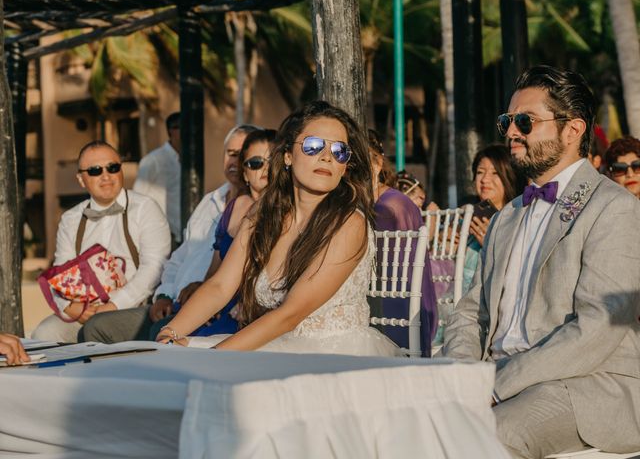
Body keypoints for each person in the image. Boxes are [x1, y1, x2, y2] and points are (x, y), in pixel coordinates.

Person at [442, 65, 640, 457]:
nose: (511, 132)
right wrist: (463, 378)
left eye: (524, 121)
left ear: (573, 130)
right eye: (507, 121)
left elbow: (596, 328)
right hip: (496, 378)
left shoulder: (614, 209)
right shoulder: (507, 217)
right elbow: (469, 314)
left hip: (584, 383)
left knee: (484, 442)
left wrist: (497, 385)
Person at [157, 101, 398, 357]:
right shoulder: (263, 213)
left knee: (195, 363)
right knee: (165, 354)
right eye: (313, 146)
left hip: (330, 356)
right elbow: (220, 286)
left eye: (339, 151)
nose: (327, 156)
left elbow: (289, 314)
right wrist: (169, 333)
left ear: (345, 166)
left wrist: (214, 358)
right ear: (287, 156)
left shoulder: (349, 223)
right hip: (279, 344)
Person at [79, 125, 261, 344]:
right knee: (95, 329)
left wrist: (201, 288)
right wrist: (163, 295)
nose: (236, 161)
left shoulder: (258, 210)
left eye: (245, 156)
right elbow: (179, 256)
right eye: (231, 154)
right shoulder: (209, 201)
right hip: (172, 302)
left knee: (159, 332)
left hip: (208, 308)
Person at [32, 141, 171, 343]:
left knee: (98, 330)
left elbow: (154, 268)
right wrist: (71, 307)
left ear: (121, 170)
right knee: (44, 334)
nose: (105, 176)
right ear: (81, 179)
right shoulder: (71, 219)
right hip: (85, 313)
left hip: (135, 308)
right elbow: (61, 274)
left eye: (112, 168)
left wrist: (113, 306)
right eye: (95, 170)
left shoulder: (145, 208)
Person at [151, 128, 279, 339]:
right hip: (217, 303)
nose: (265, 168)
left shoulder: (285, 212)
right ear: (244, 172)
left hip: (251, 313)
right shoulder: (235, 206)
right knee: (166, 337)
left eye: (271, 160)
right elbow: (214, 274)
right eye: (255, 163)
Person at [368, 130, 437, 354]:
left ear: (377, 164)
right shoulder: (383, 201)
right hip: (411, 313)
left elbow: (383, 283)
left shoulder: (387, 208)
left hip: (395, 321)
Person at [462, 144, 525, 293]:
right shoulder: (466, 217)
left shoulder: (520, 219)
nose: (485, 179)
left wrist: (492, 245)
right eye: (480, 172)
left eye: (495, 173)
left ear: (510, 176)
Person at [133, 112, 181, 243]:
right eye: (182, 128)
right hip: (163, 235)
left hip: (183, 234)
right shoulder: (153, 160)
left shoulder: (188, 161)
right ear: (172, 131)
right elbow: (138, 197)